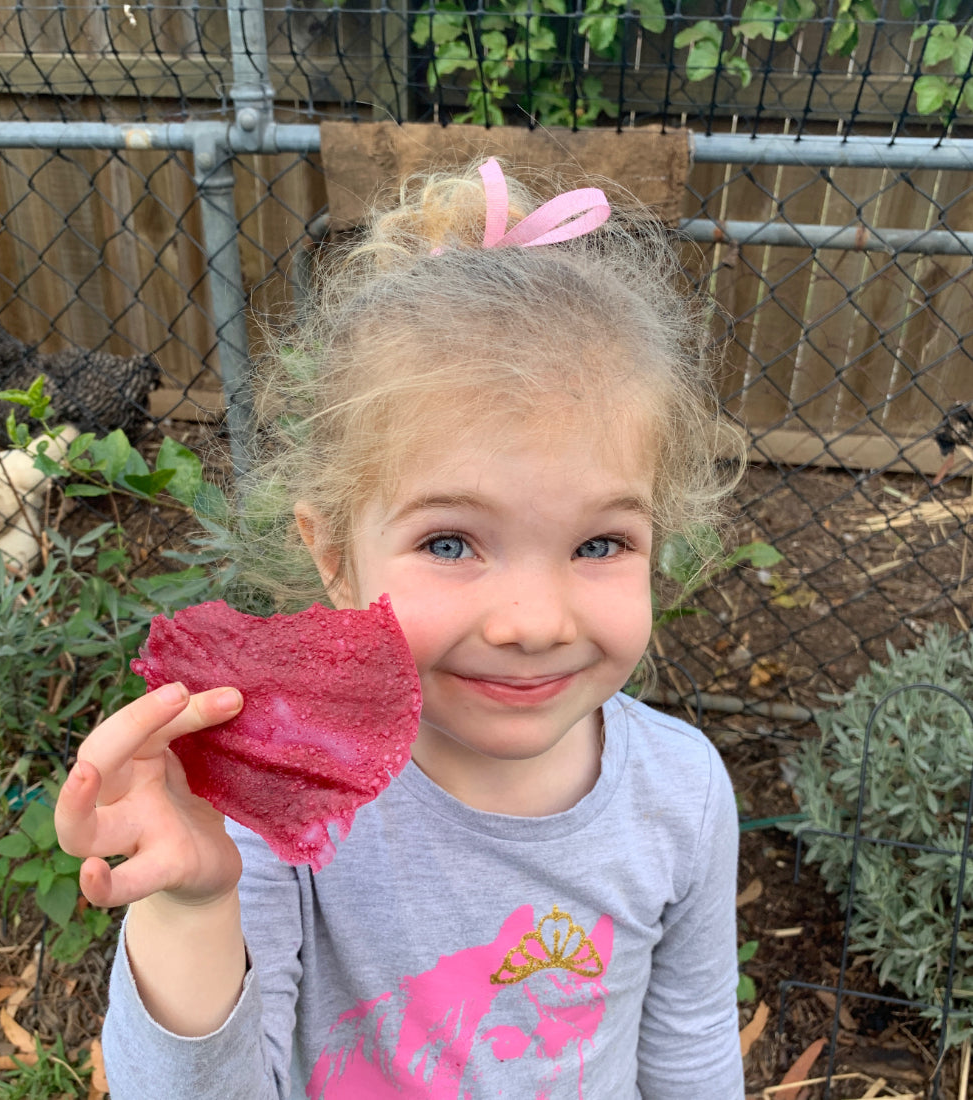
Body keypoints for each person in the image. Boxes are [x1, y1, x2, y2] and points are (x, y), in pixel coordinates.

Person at [55, 157, 747, 1099]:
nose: (535, 622)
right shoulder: (284, 805)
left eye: (600, 542)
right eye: (453, 542)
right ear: (334, 554)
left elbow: (694, 1043)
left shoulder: (683, 794)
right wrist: (191, 906)